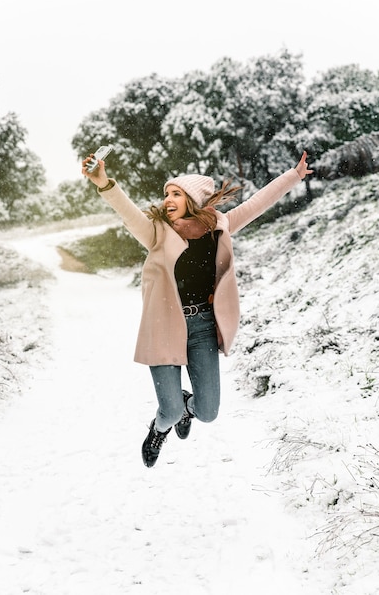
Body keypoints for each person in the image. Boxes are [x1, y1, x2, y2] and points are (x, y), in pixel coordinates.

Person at [82, 151, 313, 467]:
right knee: (170, 411)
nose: (167, 199)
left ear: (193, 199)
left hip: (202, 327)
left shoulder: (221, 225)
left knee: (207, 412)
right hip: (164, 328)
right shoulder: (157, 232)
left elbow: (259, 203)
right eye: (166, 194)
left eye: (175, 193)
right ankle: (159, 430)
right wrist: (104, 183)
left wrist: (294, 175)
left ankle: (185, 407)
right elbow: (127, 211)